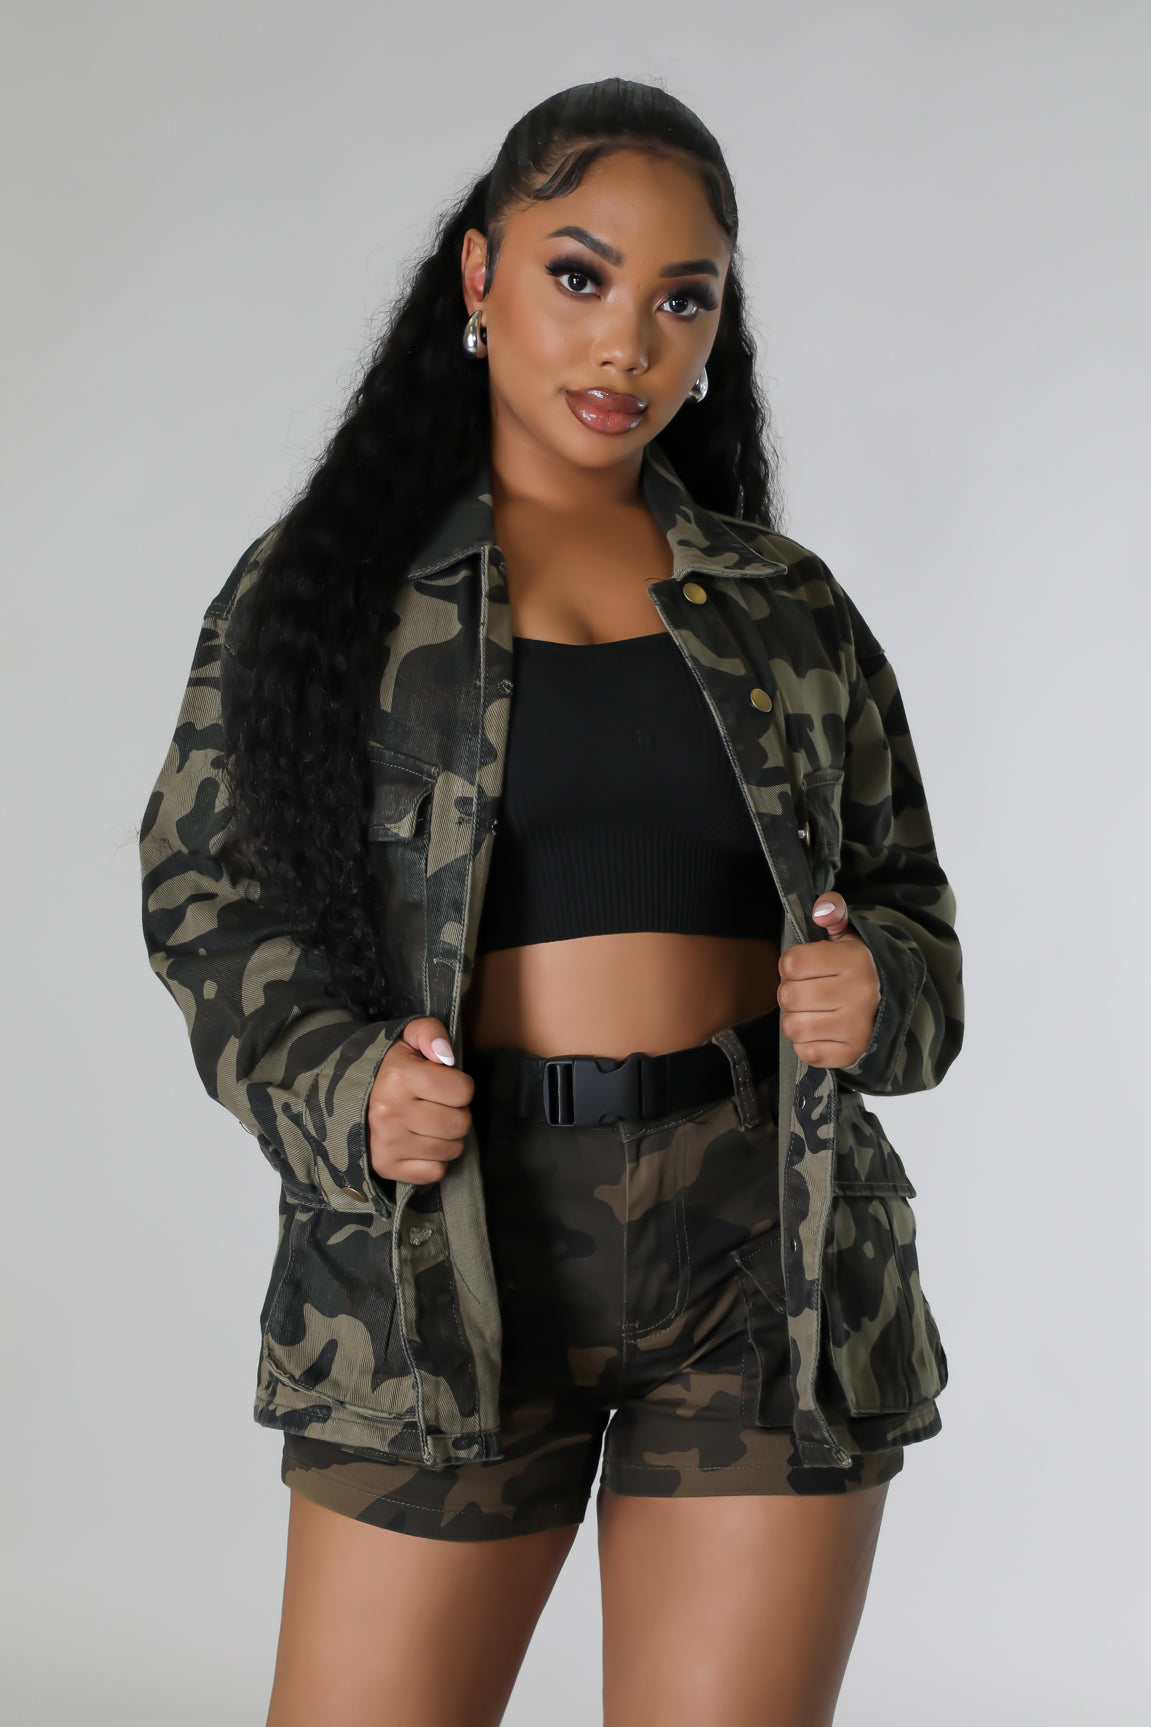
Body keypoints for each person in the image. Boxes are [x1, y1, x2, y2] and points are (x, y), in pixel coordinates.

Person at [140, 76, 963, 1727]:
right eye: (580, 275)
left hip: (768, 1253)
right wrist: (341, 1086)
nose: (626, 343)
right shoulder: (327, 592)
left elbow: (915, 920)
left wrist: (883, 986)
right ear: (479, 273)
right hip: (442, 1263)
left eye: (681, 300)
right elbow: (205, 898)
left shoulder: (783, 606)